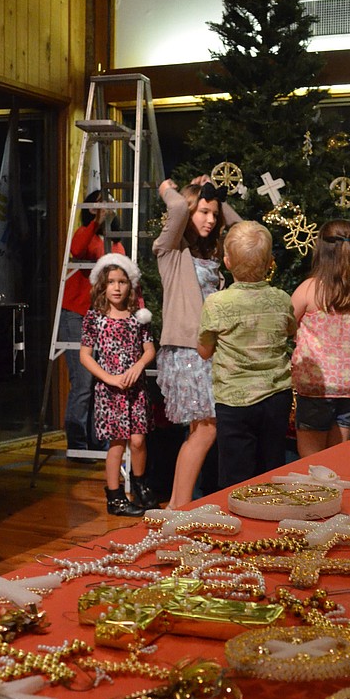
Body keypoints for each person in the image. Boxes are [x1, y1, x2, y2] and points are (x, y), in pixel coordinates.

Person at [154, 177, 241, 508]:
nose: (210, 219)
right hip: (189, 351)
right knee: (207, 431)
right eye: (203, 212)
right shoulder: (171, 251)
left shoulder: (212, 252)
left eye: (213, 214)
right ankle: (178, 507)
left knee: (199, 432)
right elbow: (176, 206)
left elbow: (243, 232)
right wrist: (166, 188)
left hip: (208, 351)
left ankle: (176, 505)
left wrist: (219, 197)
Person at [197, 221, 296, 488]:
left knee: (235, 476)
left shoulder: (216, 303)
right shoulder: (282, 299)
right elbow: (289, 331)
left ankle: (239, 525)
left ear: (227, 262)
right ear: (270, 262)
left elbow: (205, 350)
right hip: (276, 398)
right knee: (270, 470)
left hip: (234, 402)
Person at [80, 253, 156, 516]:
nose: (116, 287)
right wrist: (109, 378)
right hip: (110, 391)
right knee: (116, 443)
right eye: (111, 281)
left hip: (135, 389)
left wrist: (137, 368)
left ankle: (140, 486)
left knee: (137, 441)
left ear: (130, 285)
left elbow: (149, 350)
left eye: (122, 282)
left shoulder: (138, 317)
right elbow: (85, 355)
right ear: (103, 284)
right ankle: (115, 498)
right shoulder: (95, 317)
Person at [291, 219, 350, 456]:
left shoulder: (310, 288)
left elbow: (284, 324)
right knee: (337, 457)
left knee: (311, 462)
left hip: (318, 385)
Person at [58, 189, 124, 452]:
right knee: (83, 380)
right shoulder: (85, 234)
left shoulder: (114, 242)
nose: (107, 208)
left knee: (100, 380)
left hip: (101, 319)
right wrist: (95, 220)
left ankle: (97, 441)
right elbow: (76, 249)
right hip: (76, 314)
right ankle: (77, 443)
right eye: (99, 204)